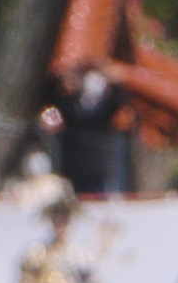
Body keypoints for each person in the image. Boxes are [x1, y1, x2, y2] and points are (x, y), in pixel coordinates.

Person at [54, 64, 133, 197]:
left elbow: (116, 103)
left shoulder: (108, 107)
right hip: (74, 161)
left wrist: (114, 85)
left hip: (100, 163)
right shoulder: (69, 105)